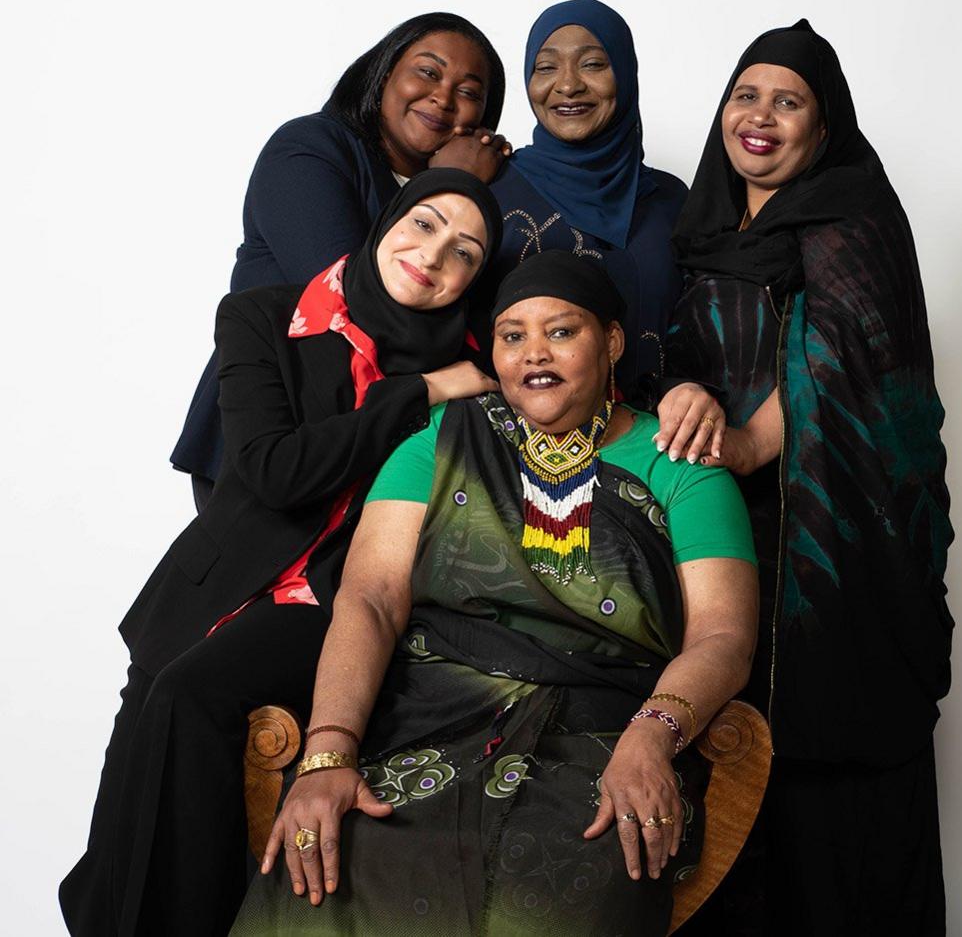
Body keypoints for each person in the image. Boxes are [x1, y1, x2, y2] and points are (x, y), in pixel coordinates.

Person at [229, 250, 759, 936]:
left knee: (557, 898)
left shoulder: (680, 461)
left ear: (613, 342)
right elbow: (369, 598)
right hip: (426, 725)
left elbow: (723, 636)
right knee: (328, 874)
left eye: (561, 331)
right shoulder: (440, 441)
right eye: (512, 335)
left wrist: (651, 737)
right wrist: (329, 752)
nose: (533, 353)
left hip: (604, 737)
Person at [59, 169, 504, 937]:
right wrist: (419, 390)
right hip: (210, 588)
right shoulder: (264, 316)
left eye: (463, 251)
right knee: (118, 838)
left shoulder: (478, 371)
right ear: (388, 218)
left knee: (189, 699)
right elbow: (271, 470)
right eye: (424, 223)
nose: (433, 255)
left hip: (330, 603)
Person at [662, 20, 953, 935]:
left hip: (832, 537)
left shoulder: (852, 215)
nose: (759, 117)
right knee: (719, 738)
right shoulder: (702, 226)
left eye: (787, 102)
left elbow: (845, 359)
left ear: (821, 129)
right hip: (714, 520)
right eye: (745, 95)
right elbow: (664, 342)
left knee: (827, 766)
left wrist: (750, 441)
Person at [171, 12, 511, 507]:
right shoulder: (308, 149)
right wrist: (457, 184)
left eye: (469, 92)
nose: (443, 97)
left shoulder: (474, 209)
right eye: (429, 72)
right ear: (384, 72)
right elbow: (357, 299)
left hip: (383, 444)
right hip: (274, 437)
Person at [485, 0, 698, 411]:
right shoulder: (491, 188)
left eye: (593, 64)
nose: (567, 85)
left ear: (626, 73)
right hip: (513, 448)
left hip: (656, 444)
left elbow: (702, 333)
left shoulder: (672, 200)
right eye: (545, 67)